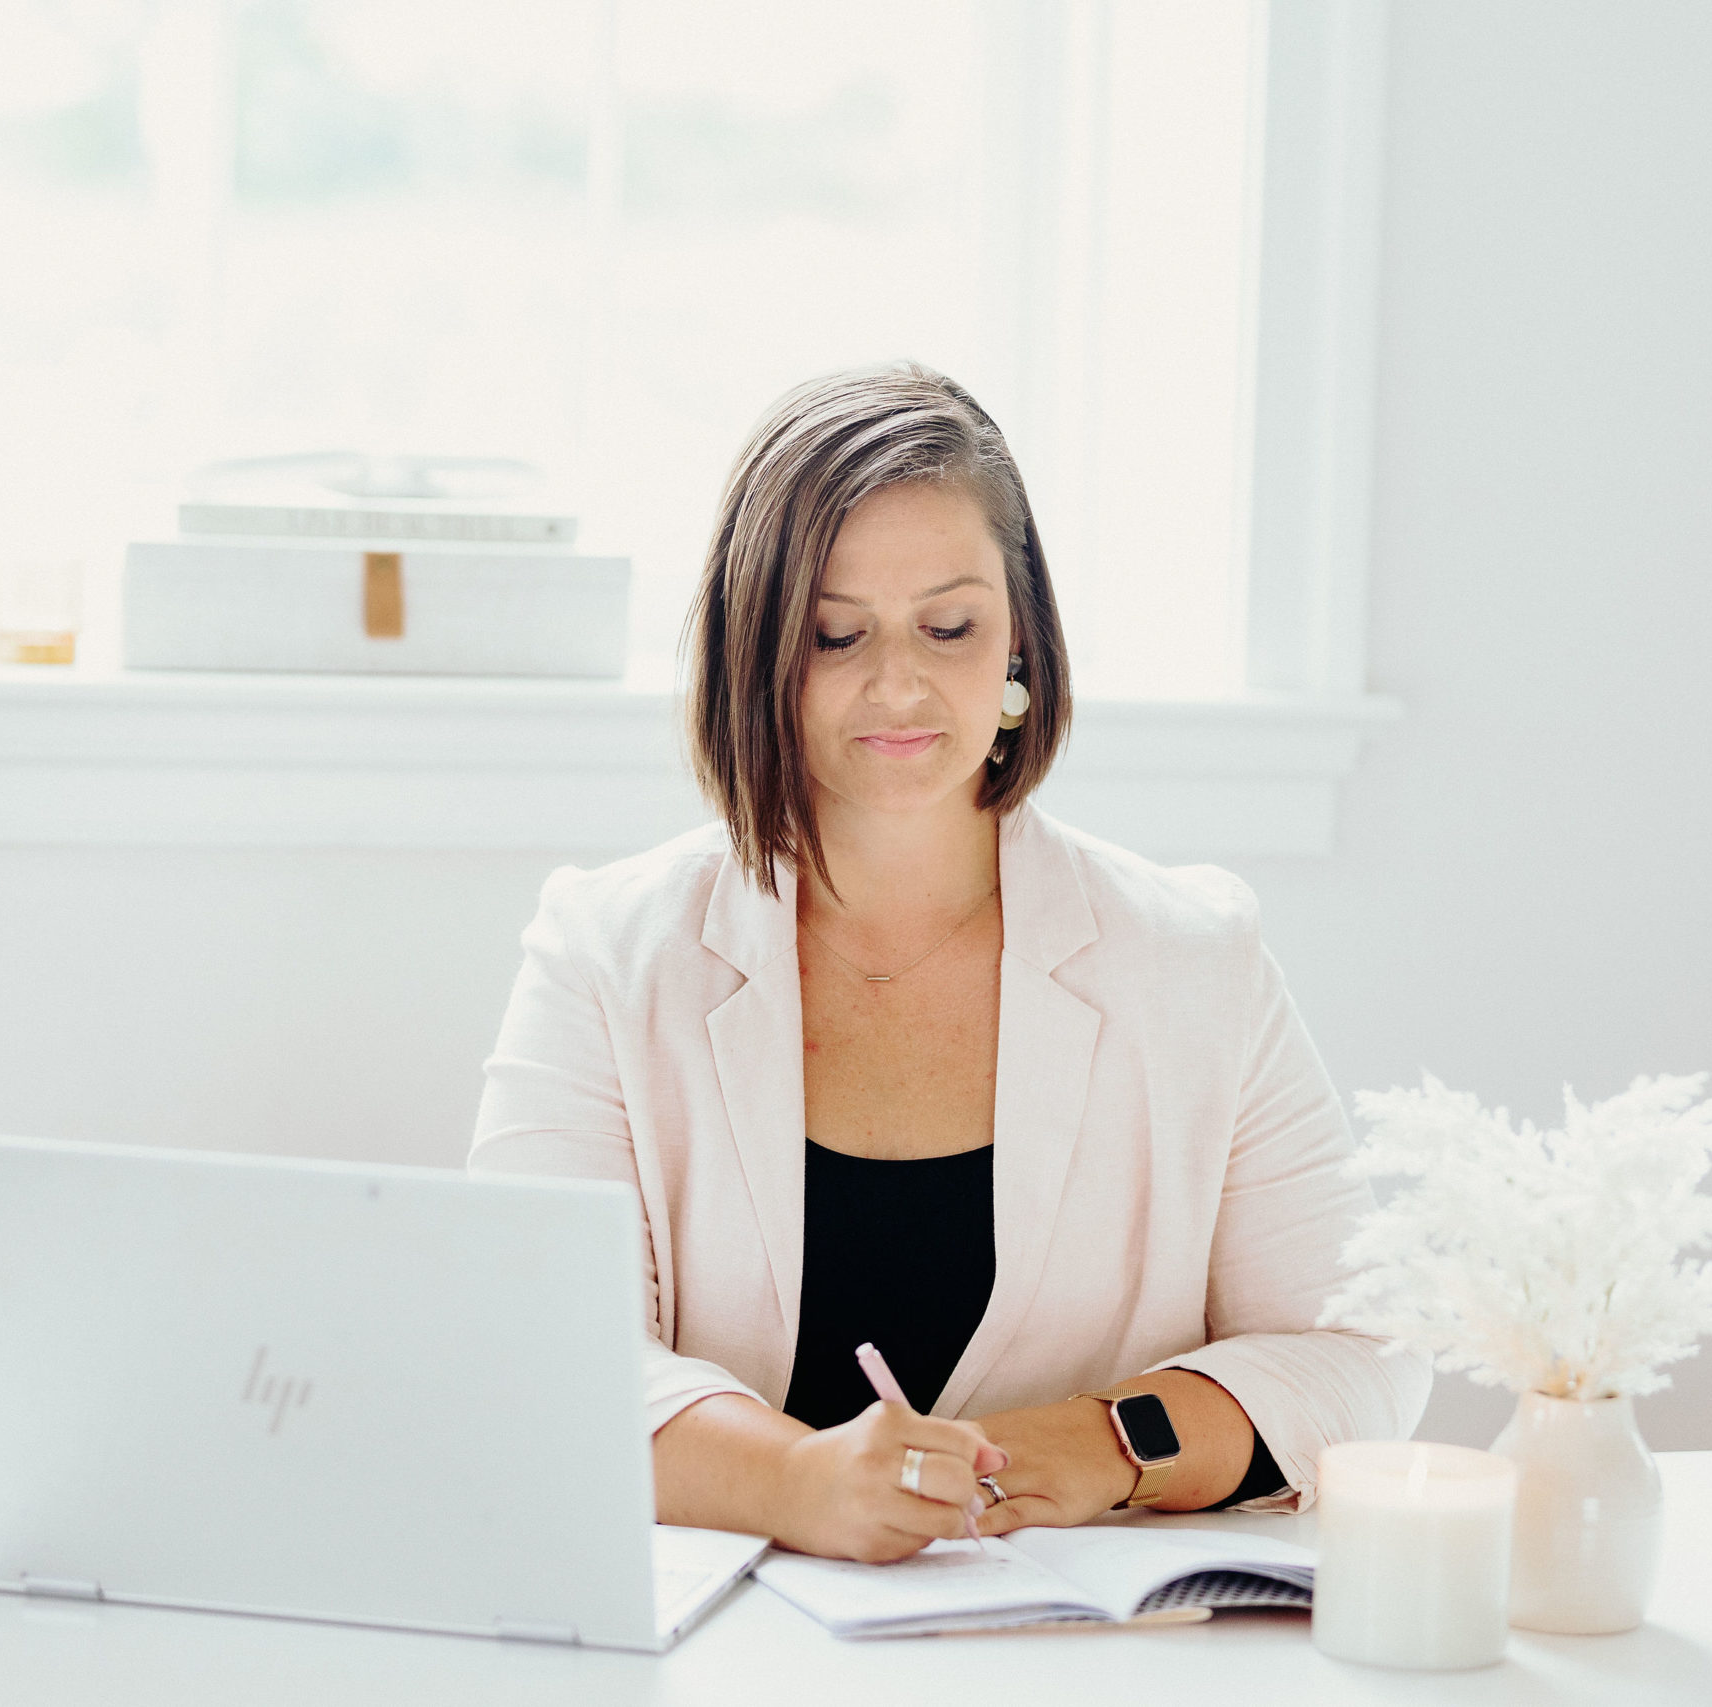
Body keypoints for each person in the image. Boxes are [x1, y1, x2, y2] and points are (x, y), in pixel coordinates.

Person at [470, 362, 1428, 1563]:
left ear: (1019, 640)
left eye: (950, 625)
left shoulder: (1193, 959)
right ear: (754, 652)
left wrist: (1106, 1444)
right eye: (834, 634)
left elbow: (1357, 1356)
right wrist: (795, 1483)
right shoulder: (607, 954)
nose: (900, 684)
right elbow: (529, 1350)